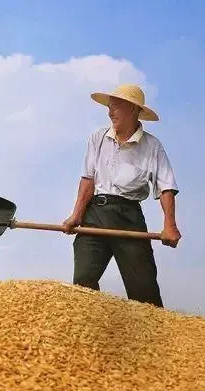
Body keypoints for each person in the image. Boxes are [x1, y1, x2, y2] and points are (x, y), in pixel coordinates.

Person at [62, 83, 181, 308]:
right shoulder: (98, 138)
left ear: (134, 110)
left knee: (143, 291)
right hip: (95, 214)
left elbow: (166, 187)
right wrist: (76, 214)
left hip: (129, 216)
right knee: (83, 281)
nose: (110, 111)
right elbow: (88, 179)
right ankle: (94, 331)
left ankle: (153, 338)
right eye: (109, 106)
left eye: (116, 106)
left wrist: (170, 225)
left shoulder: (152, 146)